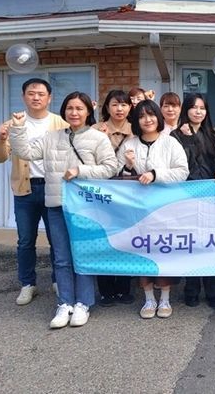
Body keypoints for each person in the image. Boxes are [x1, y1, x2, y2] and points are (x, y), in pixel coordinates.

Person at [9, 91, 118, 328]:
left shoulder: (98, 138)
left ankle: (83, 303)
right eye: (70, 108)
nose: (74, 112)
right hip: (57, 206)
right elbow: (25, 153)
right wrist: (18, 128)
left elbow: (111, 167)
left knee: (83, 255)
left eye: (79, 108)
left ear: (88, 111)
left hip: (86, 208)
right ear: (64, 111)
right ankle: (65, 302)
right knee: (61, 258)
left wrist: (81, 171)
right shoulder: (51, 137)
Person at [0, 78, 68, 306]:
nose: (36, 97)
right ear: (23, 96)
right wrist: (1, 139)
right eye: (31, 93)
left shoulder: (60, 122)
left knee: (57, 239)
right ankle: (27, 284)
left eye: (41, 94)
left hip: (53, 188)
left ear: (49, 98)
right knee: (26, 240)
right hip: (25, 190)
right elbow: (0, 158)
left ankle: (58, 280)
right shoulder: (13, 124)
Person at [118, 99, 189, 319]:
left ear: (158, 117)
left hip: (165, 207)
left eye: (150, 115)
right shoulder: (129, 144)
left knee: (163, 251)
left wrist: (156, 174)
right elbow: (117, 178)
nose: (147, 120)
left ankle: (165, 298)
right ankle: (148, 298)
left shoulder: (170, 142)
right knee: (142, 251)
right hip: (138, 210)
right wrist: (128, 166)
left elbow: (182, 171)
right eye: (141, 116)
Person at [171, 93, 215, 309]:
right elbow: (180, 164)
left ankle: (214, 291)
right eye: (194, 107)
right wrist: (188, 139)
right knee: (192, 244)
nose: (198, 112)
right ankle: (192, 290)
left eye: (202, 108)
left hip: (212, 197)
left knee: (212, 244)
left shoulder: (213, 135)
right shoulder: (175, 136)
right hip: (186, 197)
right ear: (186, 109)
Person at [92, 90, 135, 306]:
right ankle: (106, 290)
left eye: (124, 104)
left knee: (126, 238)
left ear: (130, 107)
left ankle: (124, 288)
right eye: (115, 104)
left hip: (127, 192)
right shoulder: (94, 130)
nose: (119, 109)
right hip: (100, 192)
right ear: (107, 107)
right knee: (103, 238)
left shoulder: (135, 130)